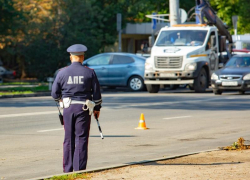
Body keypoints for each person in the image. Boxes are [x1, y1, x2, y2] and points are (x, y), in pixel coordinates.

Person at [51, 44, 102, 173]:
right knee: (81, 138)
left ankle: (67, 171)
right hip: (84, 109)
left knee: (68, 139)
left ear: (71, 57)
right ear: (82, 57)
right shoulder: (89, 72)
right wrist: (97, 108)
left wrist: (61, 101)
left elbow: (54, 94)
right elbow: (96, 94)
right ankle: (80, 170)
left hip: (68, 108)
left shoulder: (62, 72)